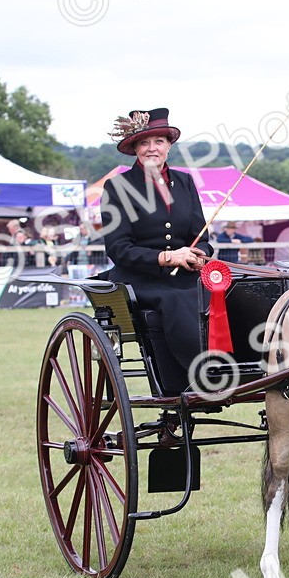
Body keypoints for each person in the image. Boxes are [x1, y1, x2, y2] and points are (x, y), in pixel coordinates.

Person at [100, 107, 213, 394]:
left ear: (169, 146)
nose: (152, 148)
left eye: (159, 142)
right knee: (177, 298)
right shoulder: (117, 187)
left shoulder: (186, 182)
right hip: (138, 277)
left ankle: (245, 367)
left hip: (186, 273)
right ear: (135, 148)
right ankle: (199, 377)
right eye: (144, 143)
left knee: (229, 293)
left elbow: (202, 237)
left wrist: (198, 255)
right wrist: (165, 257)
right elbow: (117, 248)